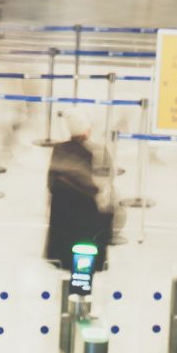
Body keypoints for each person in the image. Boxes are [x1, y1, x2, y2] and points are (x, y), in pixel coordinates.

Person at [44, 108, 111, 272]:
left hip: (62, 222)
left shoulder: (59, 150)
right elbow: (105, 186)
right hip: (88, 221)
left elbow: (51, 184)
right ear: (88, 129)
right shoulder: (97, 151)